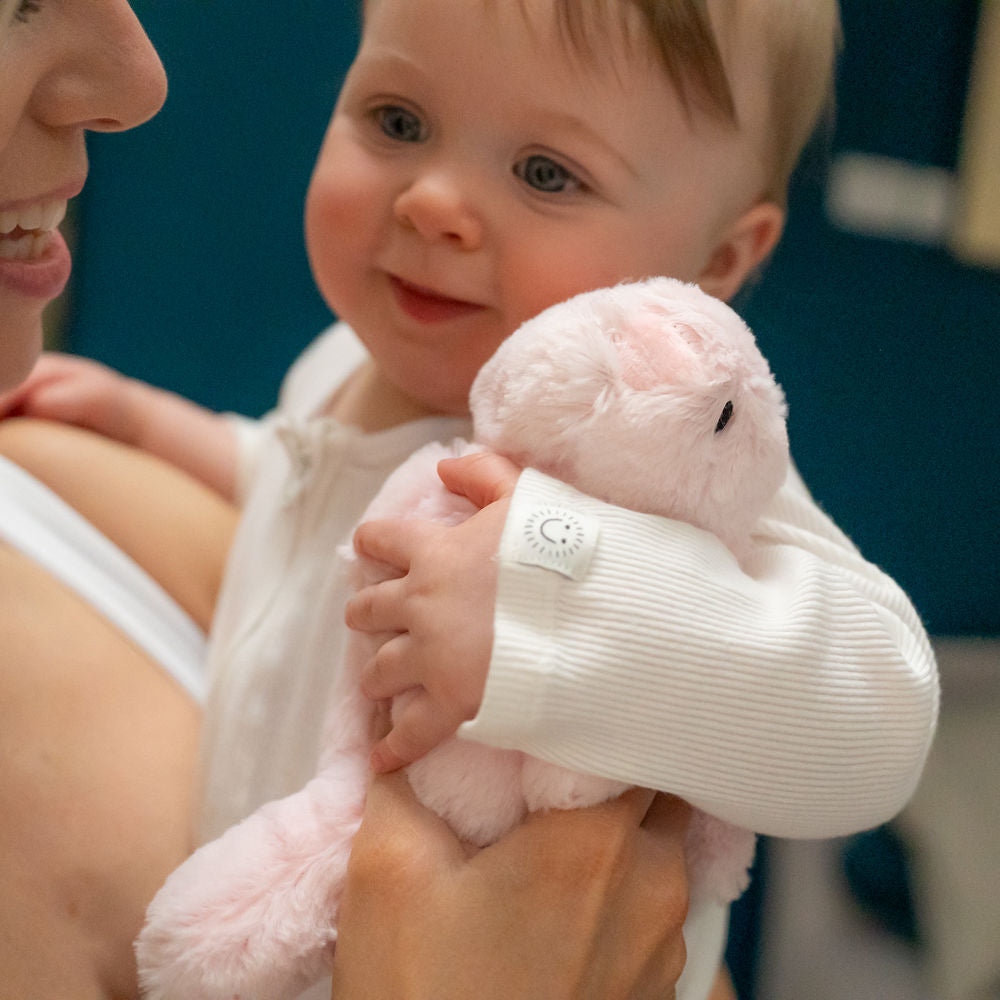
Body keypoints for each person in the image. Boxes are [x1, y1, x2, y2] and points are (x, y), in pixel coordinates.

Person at [2, 0, 939, 996]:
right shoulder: (350, 364)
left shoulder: (668, 438)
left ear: (717, 259)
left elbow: (881, 712)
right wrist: (154, 424)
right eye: (398, 121)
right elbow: (308, 488)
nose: (432, 201)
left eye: (546, 174)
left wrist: (549, 601)